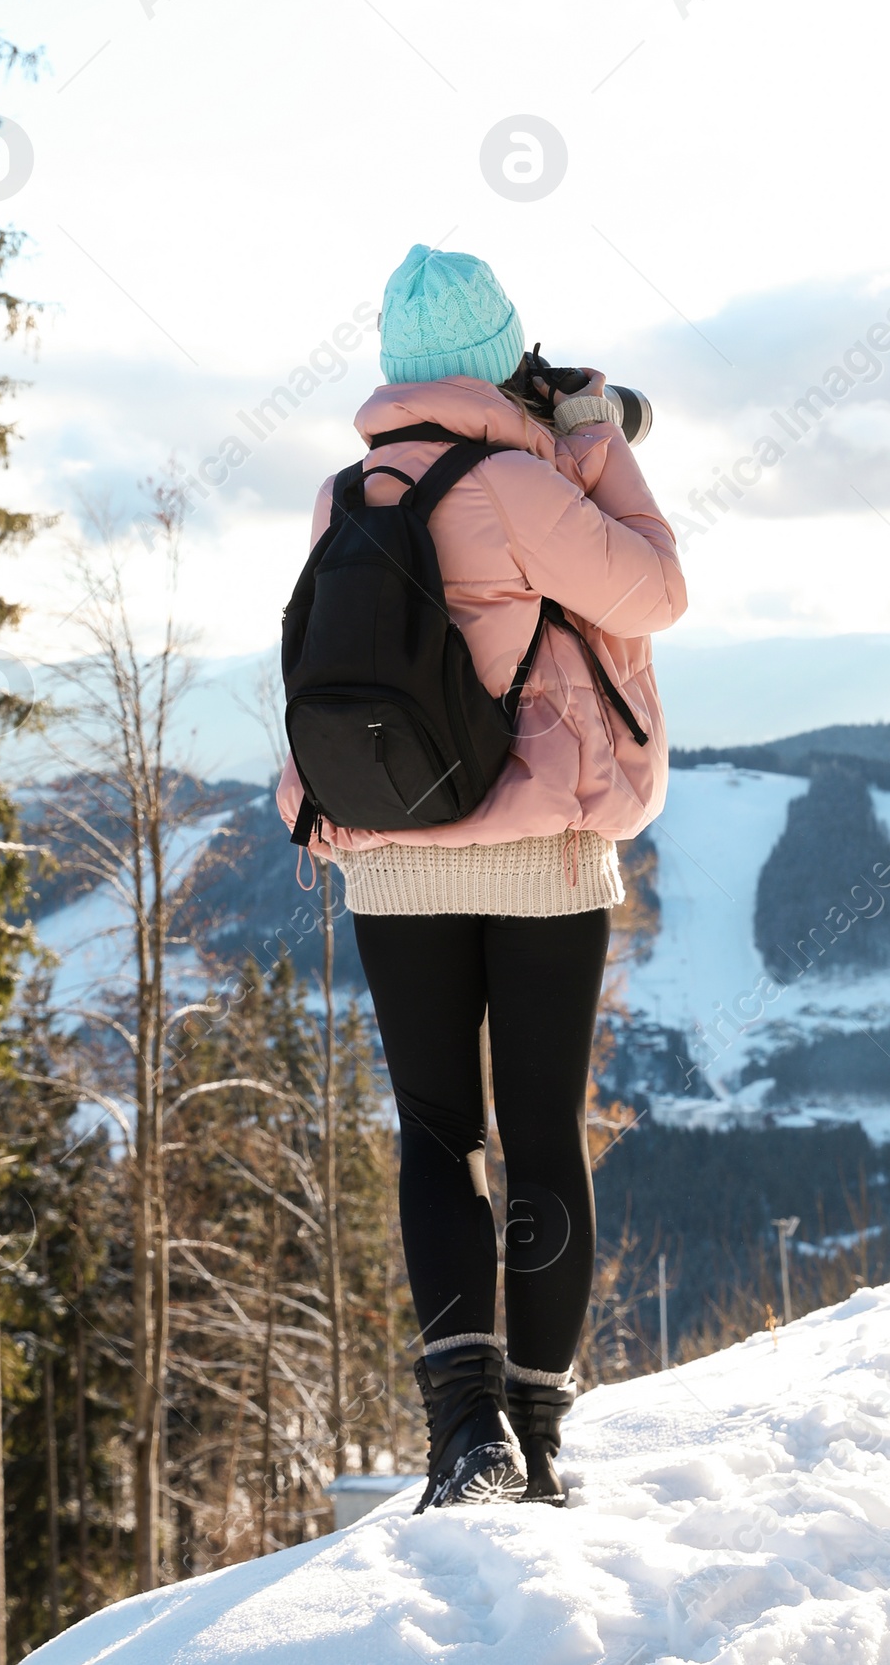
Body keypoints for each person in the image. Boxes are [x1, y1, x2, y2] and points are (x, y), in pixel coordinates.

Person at [276, 244, 686, 1509]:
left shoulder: (346, 493)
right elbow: (655, 586)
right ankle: (540, 1438)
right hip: (541, 854)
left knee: (438, 1133)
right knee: (543, 1137)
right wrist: (598, 439)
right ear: (504, 355)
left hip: (390, 854)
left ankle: (464, 1437)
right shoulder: (518, 480)